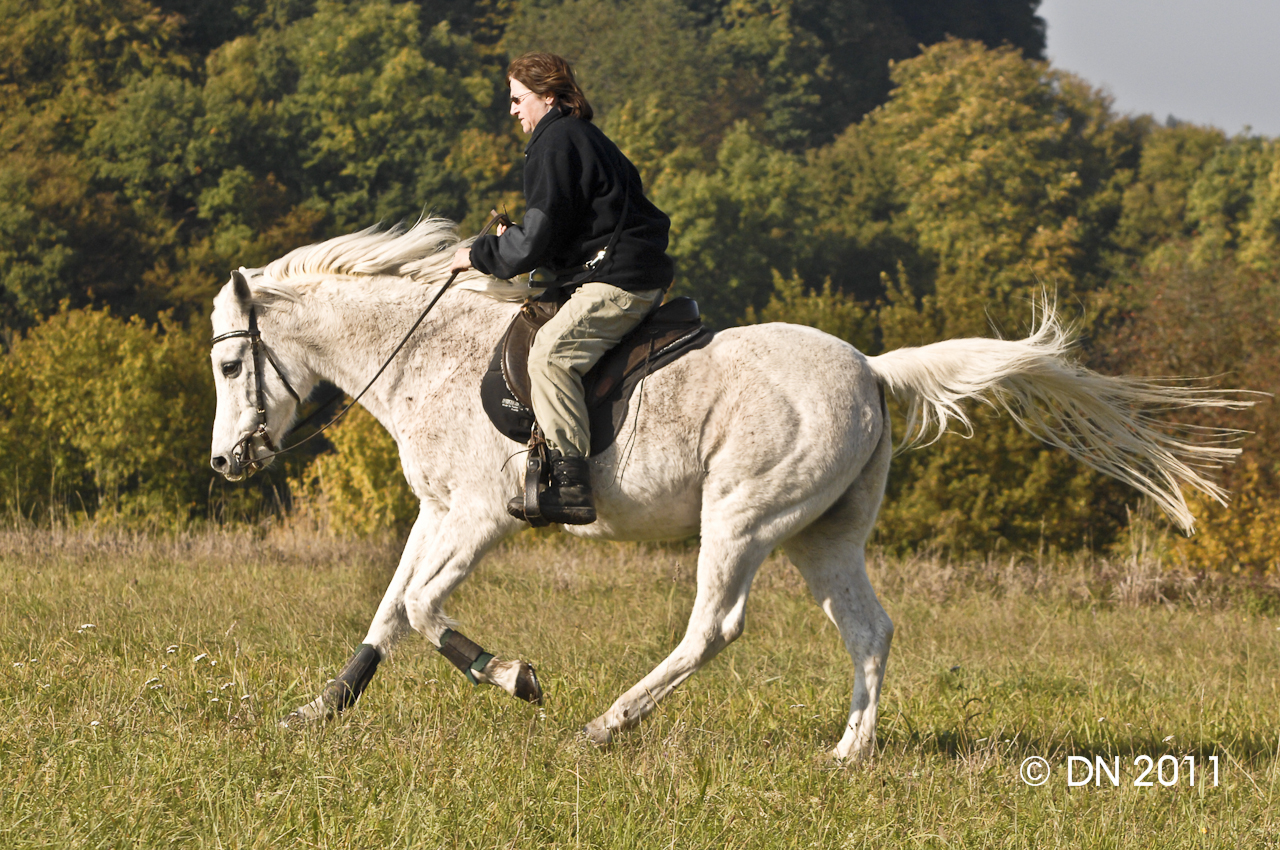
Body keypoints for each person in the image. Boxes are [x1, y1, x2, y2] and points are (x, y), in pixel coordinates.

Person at [451, 53, 674, 525]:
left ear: (547, 96)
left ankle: (572, 486)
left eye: (518, 99)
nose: (513, 111)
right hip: (620, 270)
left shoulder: (556, 142)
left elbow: (535, 241)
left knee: (550, 355)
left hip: (619, 280)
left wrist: (477, 254)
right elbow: (558, 234)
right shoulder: (573, 136)